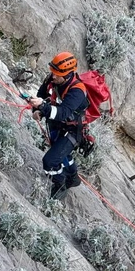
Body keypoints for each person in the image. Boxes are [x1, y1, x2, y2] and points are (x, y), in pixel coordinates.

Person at [29, 52, 89, 200]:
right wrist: (37, 110)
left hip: (73, 130)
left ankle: (60, 184)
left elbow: (63, 113)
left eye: (56, 74)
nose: (52, 76)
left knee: (49, 161)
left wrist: (43, 108)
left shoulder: (77, 91)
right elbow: (41, 94)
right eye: (52, 72)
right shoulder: (54, 79)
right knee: (62, 153)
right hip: (57, 124)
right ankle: (73, 177)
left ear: (67, 75)